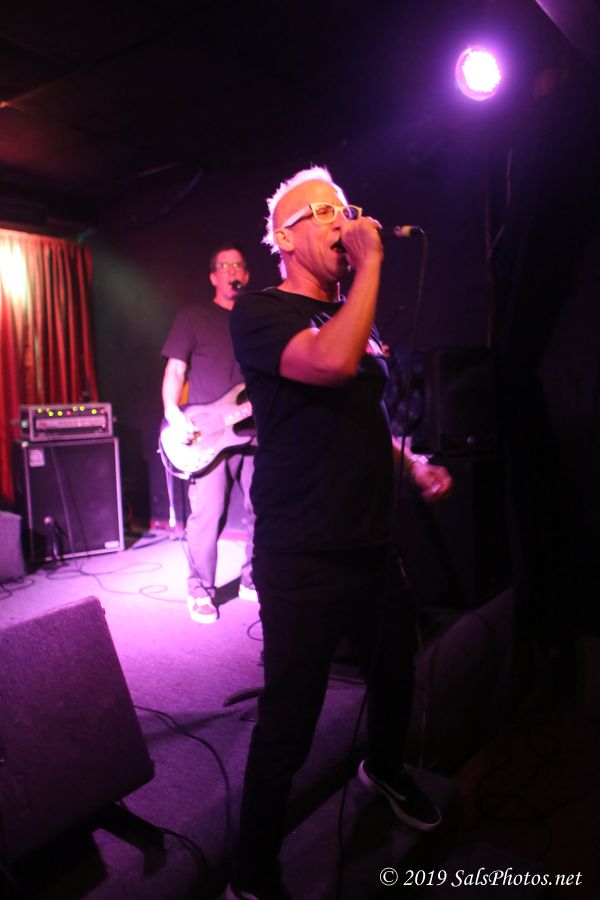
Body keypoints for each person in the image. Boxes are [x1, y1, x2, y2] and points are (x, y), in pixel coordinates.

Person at [226, 167, 452, 899]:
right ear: (284, 239)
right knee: (291, 716)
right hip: (303, 551)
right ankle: (252, 868)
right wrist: (374, 262)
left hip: (371, 541)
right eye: (320, 213)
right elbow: (329, 364)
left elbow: (366, 415)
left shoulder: (356, 316)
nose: (341, 220)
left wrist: (410, 465)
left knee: (395, 672)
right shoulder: (261, 311)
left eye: (343, 208)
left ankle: (381, 769)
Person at [161, 243, 257, 624]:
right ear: (214, 276)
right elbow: (175, 370)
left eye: (239, 265)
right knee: (209, 513)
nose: (232, 270)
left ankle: (253, 578)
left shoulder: (257, 318)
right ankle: (200, 590)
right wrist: (172, 411)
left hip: (254, 431)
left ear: (246, 275)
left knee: (264, 508)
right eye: (224, 265)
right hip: (209, 434)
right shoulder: (193, 316)